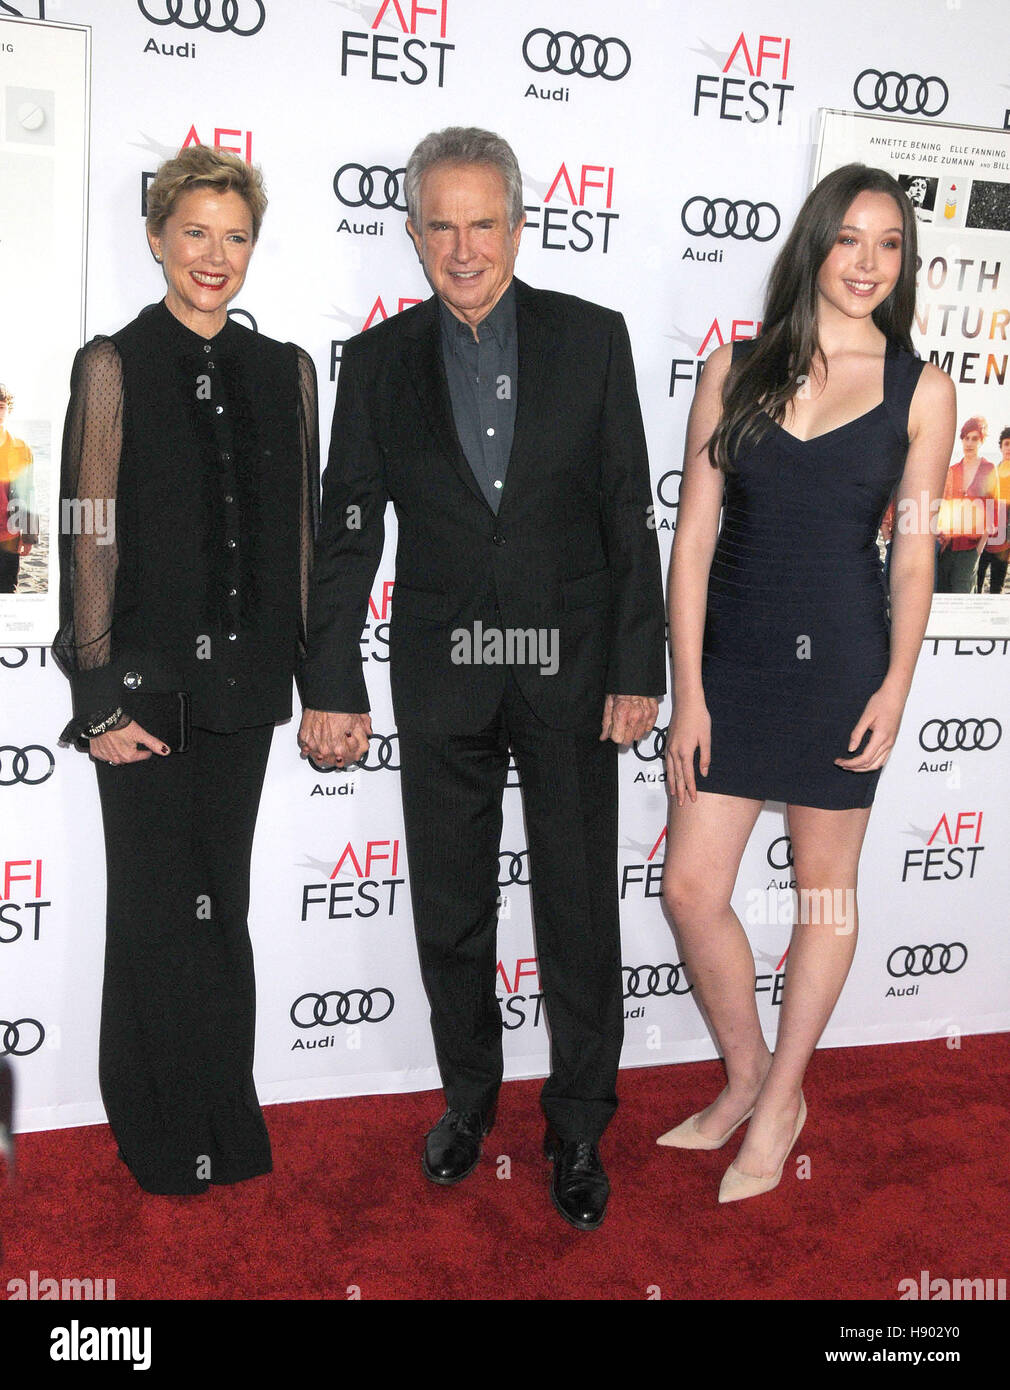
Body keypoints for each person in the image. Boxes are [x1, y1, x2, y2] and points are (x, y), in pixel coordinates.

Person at [298, 127, 666, 1231]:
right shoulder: (375, 362)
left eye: (483, 222)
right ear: (412, 235)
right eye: (440, 225)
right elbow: (347, 526)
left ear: (519, 224)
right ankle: (468, 1100)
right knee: (454, 905)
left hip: (567, 667)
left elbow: (624, 512)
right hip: (444, 668)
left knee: (574, 907)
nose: (463, 247)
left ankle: (578, 1125)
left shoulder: (591, 339)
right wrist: (331, 678)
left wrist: (635, 663)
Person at [661, 164, 954, 1203]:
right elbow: (691, 540)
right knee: (690, 889)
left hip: (839, 663)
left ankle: (783, 1093)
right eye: (849, 239)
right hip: (731, 666)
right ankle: (745, 1077)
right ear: (814, 246)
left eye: (888, 244)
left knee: (822, 894)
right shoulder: (730, 370)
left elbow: (911, 554)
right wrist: (685, 692)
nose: (868, 262)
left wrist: (894, 686)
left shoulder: (919, 389)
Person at [53, 145, 319, 1195]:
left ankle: (224, 1115)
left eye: (236, 236)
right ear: (157, 237)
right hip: (144, 686)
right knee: (155, 907)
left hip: (245, 688)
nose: (215, 257)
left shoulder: (284, 369)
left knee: (221, 903)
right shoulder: (113, 364)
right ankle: (159, 1130)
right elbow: (87, 534)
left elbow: (297, 542)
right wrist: (96, 694)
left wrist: (312, 679)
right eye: (195, 233)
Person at [936, 416, 996, 593]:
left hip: (970, 549)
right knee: (943, 597)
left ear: (981, 440)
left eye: (975, 438)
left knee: (963, 598)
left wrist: (978, 551)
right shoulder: (952, 470)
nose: (969, 443)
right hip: (947, 547)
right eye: (966, 438)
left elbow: (991, 512)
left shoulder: (988, 469)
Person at [0, 383, 38, 593]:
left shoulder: (21, 449)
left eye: (1, 407)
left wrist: (29, 536)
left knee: (7, 592)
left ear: (8, 410)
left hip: (9, 535)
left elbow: (29, 492)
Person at [976, 426, 1010, 594]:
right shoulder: (992, 472)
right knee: (977, 584)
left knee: (997, 587)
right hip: (984, 539)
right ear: (1001, 447)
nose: (1009, 448)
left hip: (1004, 543)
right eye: (1007, 444)